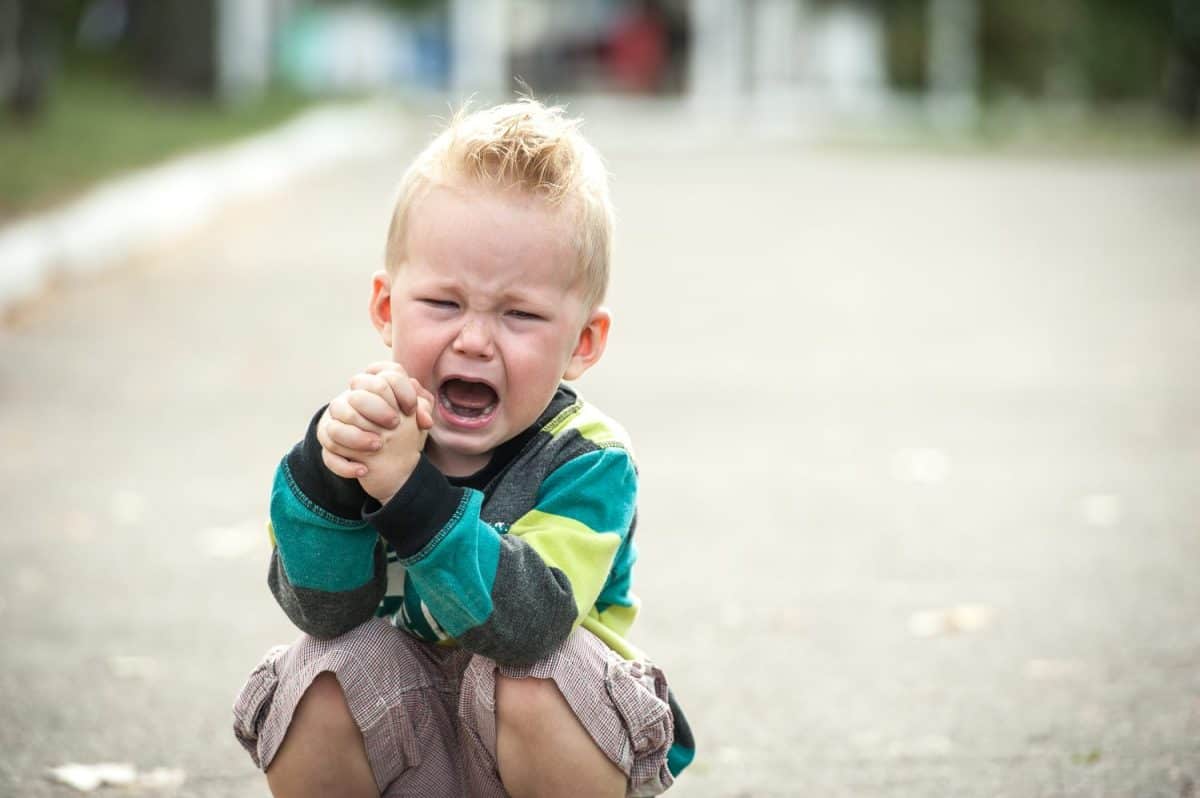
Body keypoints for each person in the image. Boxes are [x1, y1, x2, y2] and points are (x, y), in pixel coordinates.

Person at [232, 98, 695, 797]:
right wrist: (328, 477)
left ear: (584, 343)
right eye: (444, 305)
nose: (475, 339)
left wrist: (409, 496)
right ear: (387, 309)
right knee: (322, 674)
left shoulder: (588, 460)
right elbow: (321, 610)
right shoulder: (366, 432)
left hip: (543, 750)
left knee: (532, 682)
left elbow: (528, 625)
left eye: (520, 315)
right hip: (405, 742)